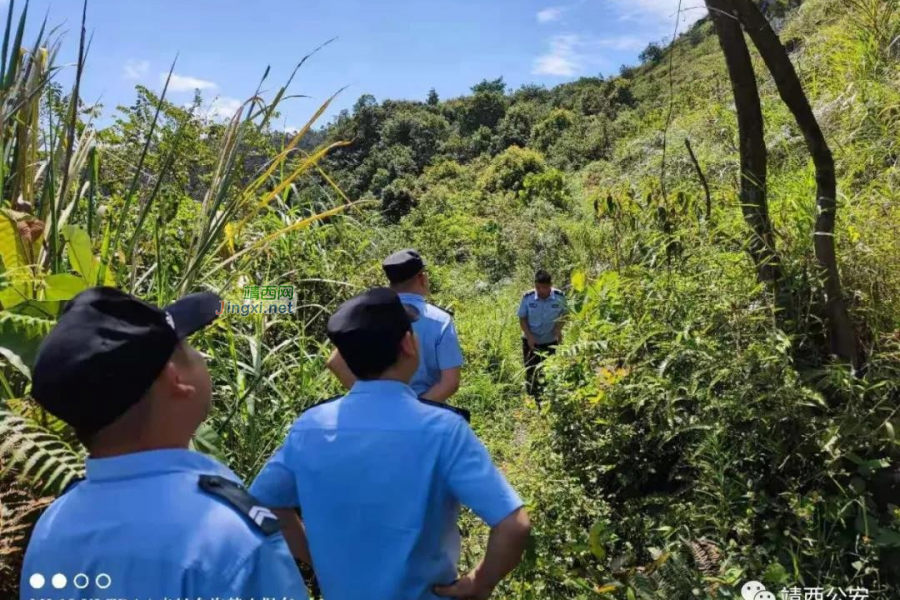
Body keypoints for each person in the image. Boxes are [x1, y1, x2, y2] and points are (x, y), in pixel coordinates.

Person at [20, 287, 309, 600]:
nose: (200, 358)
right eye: (187, 347)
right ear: (176, 380)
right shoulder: (230, 537)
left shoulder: (52, 528)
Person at [251, 287, 531, 600]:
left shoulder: (309, 428)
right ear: (408, 344)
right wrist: (480, 582)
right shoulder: (443, 430)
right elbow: (514, 525)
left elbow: (261, 503)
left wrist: (316, 557)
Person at [326, 249, 463, 403]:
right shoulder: (441, 321)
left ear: (390, 282)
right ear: (422, 278)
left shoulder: (370, 315)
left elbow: (335, 362)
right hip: (427, 416)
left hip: (378, 412)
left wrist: (372, 399)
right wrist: (415, 409)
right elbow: (450, 382)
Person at [518, 269, 566, 402]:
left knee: (550, 370)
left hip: (551, 340)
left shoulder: (559, 296)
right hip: (531, 341)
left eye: (544, 287)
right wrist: (529, 336)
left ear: (551, 285)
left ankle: (550, 398)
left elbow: (566, 314)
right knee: (531, 370)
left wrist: (559, 328)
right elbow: (522, 318)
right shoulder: (527, 298)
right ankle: (532, 400)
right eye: (538, 287)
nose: (541, 290)